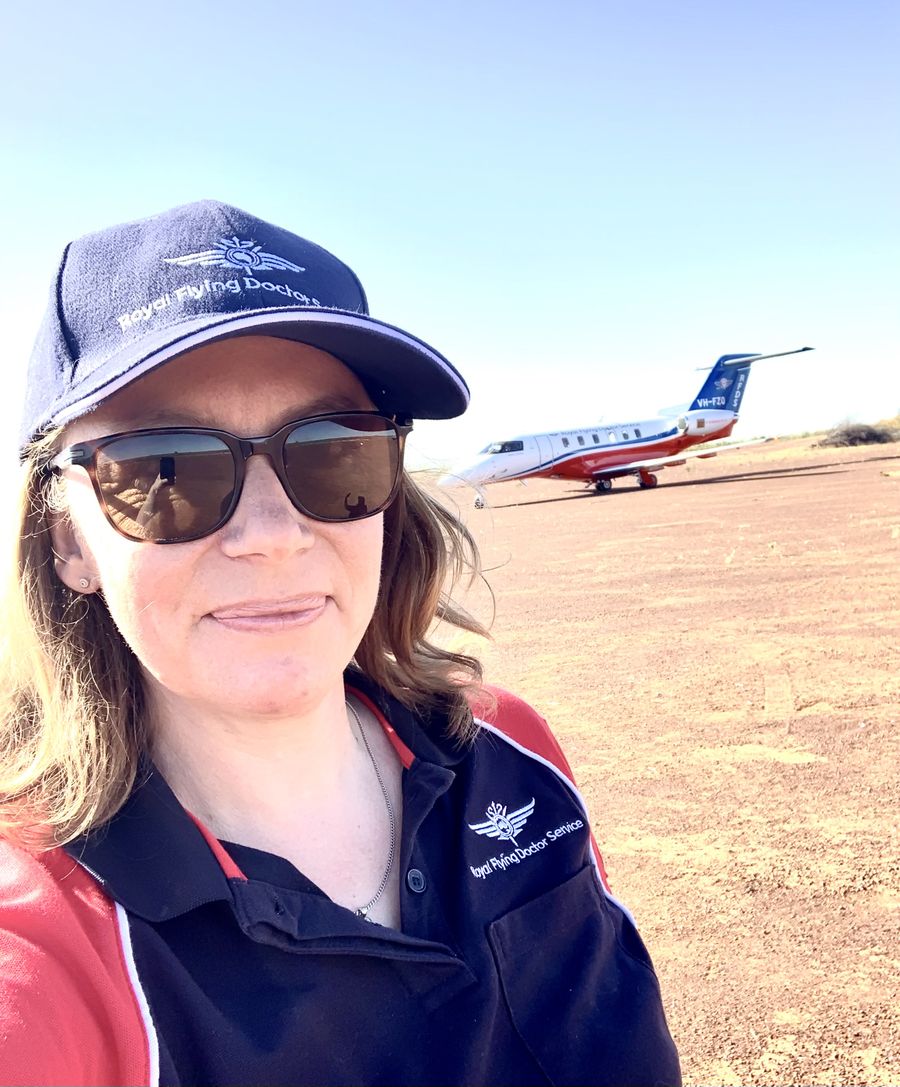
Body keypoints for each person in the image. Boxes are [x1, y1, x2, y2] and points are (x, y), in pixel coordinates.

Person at [0, 200, 680, 1087]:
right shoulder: (44, 935)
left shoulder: (510, 750)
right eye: (166, 469)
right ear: (68, 542)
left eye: (333, 452)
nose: (272, 534)